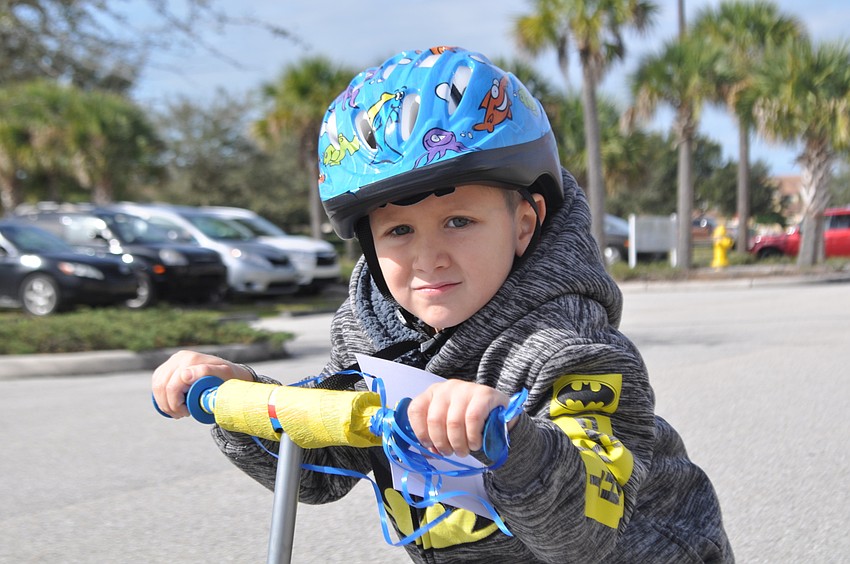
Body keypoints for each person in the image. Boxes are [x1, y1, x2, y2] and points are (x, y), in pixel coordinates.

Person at [152, 46, 733, 563]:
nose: (428, 258)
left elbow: (584, 532)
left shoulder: (569, 350)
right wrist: (237, 398)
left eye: (459, 221)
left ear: (524, 223)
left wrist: (509, 442)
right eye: (399, 232)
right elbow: (318, 473)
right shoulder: (373, 338)